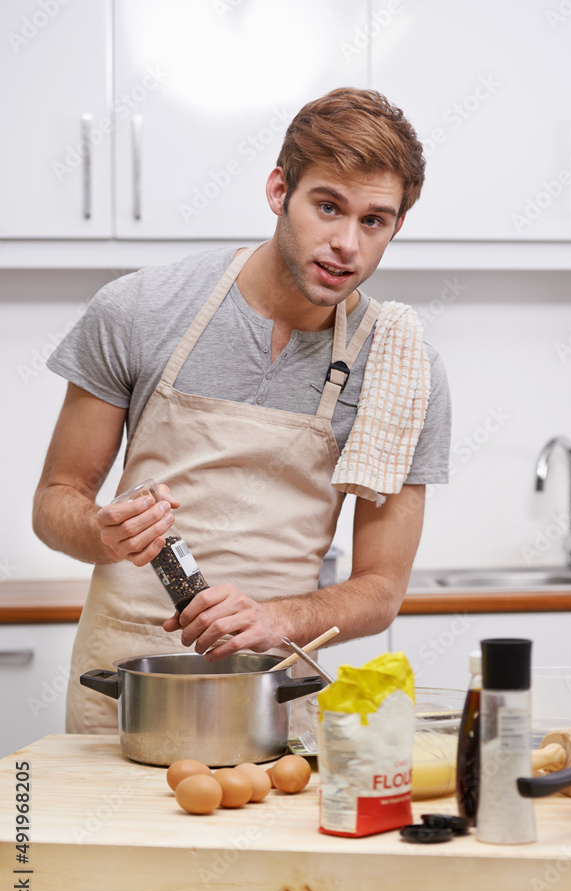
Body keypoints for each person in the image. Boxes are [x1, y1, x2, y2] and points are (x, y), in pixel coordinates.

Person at [33, 87, 452, 735]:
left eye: (373, 220)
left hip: (271, 687)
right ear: (279, 190)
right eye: (327, 207)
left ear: (396, 224)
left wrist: (277, 619)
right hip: (126, 679)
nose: (346, 243)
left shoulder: (398, 368)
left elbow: (380, 588)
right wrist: (102, 532)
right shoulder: (141, 310)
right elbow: (56, 502)